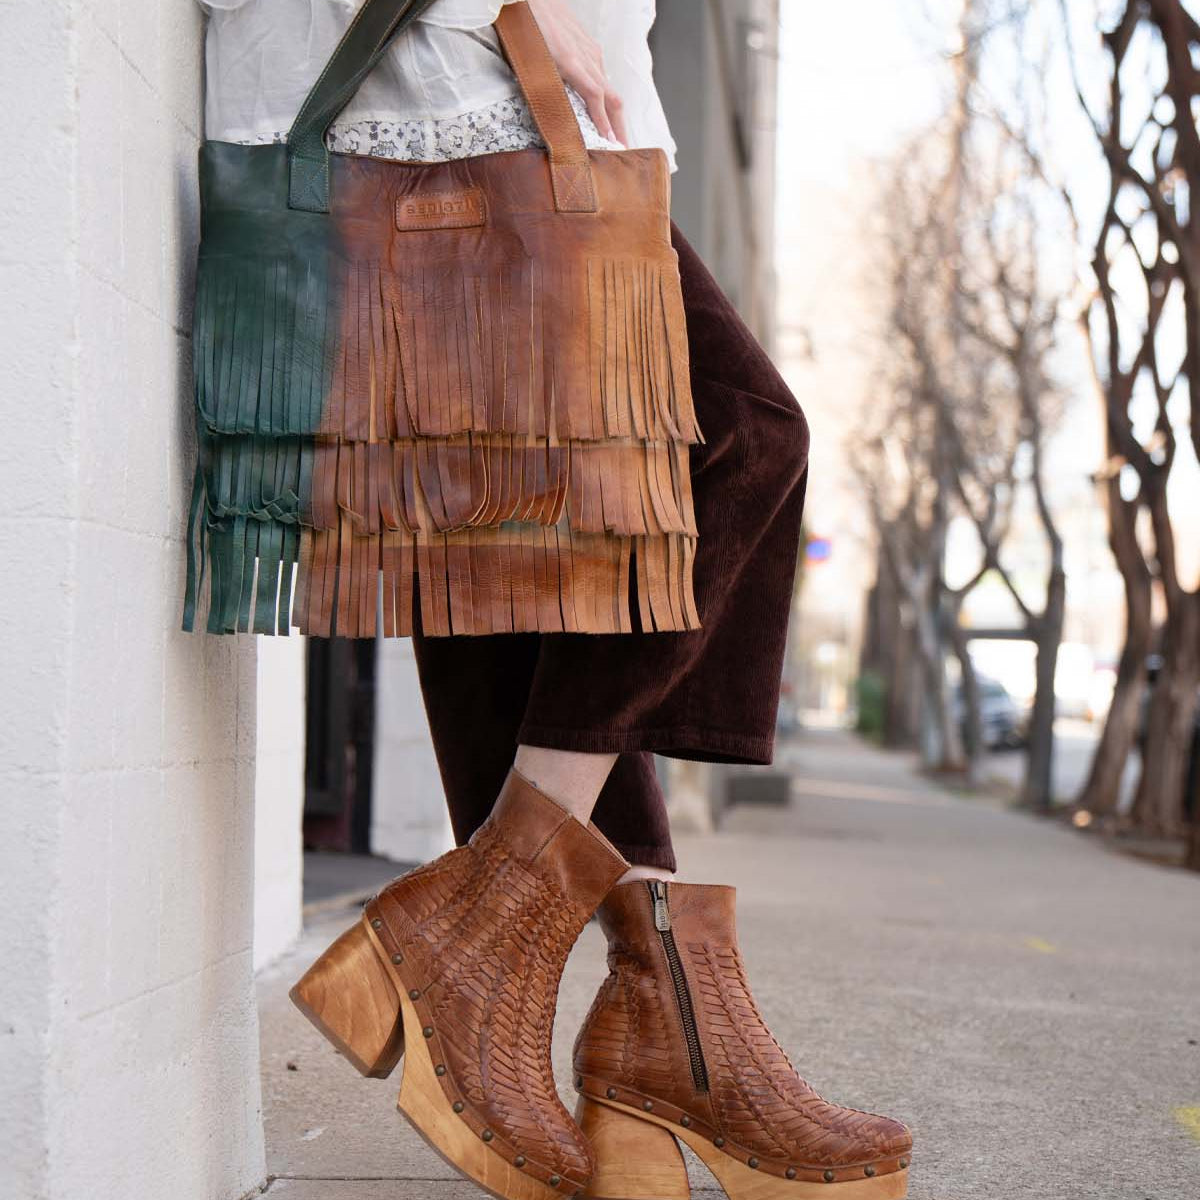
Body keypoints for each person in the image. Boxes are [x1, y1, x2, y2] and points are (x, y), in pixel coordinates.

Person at [197, 2, 912, 1197]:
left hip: (544, 104)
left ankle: (664, 1011)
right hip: (448, 80)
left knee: (512, 558)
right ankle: (504, 942)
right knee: (744, 433)